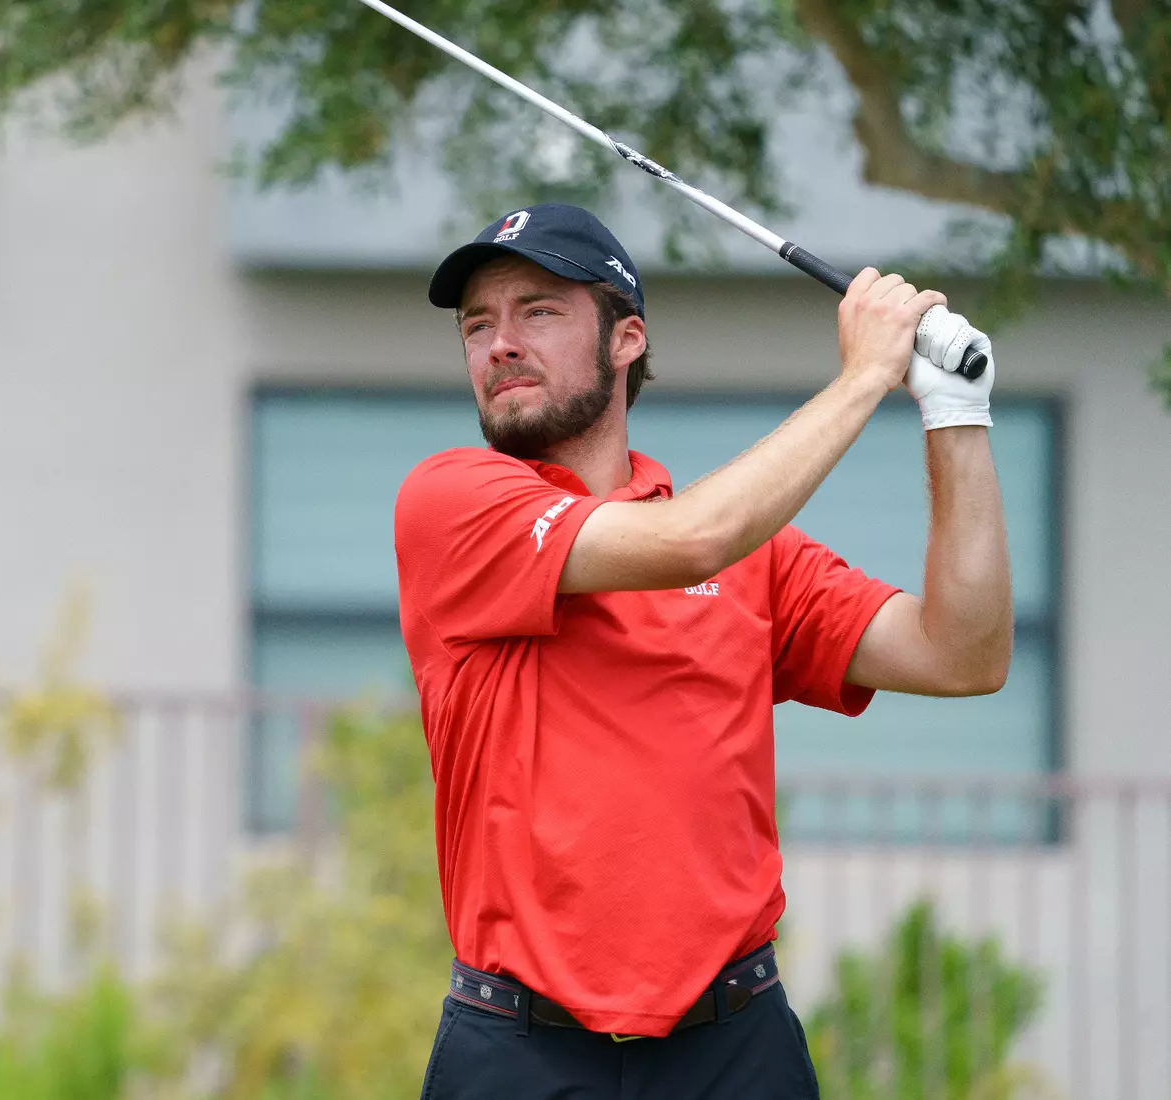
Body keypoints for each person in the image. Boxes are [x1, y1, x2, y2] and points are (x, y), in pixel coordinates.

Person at [393, 203, 1012, 1099]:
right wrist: (864, 377)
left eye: (538, 311)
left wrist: (955, 411)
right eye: (477, 324)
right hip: (519, 1052)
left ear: (626, 338)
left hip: (735, 1047)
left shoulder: (755, 557)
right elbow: (692, 542)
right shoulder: (453, 502)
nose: (499, 344)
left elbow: (963, 654)